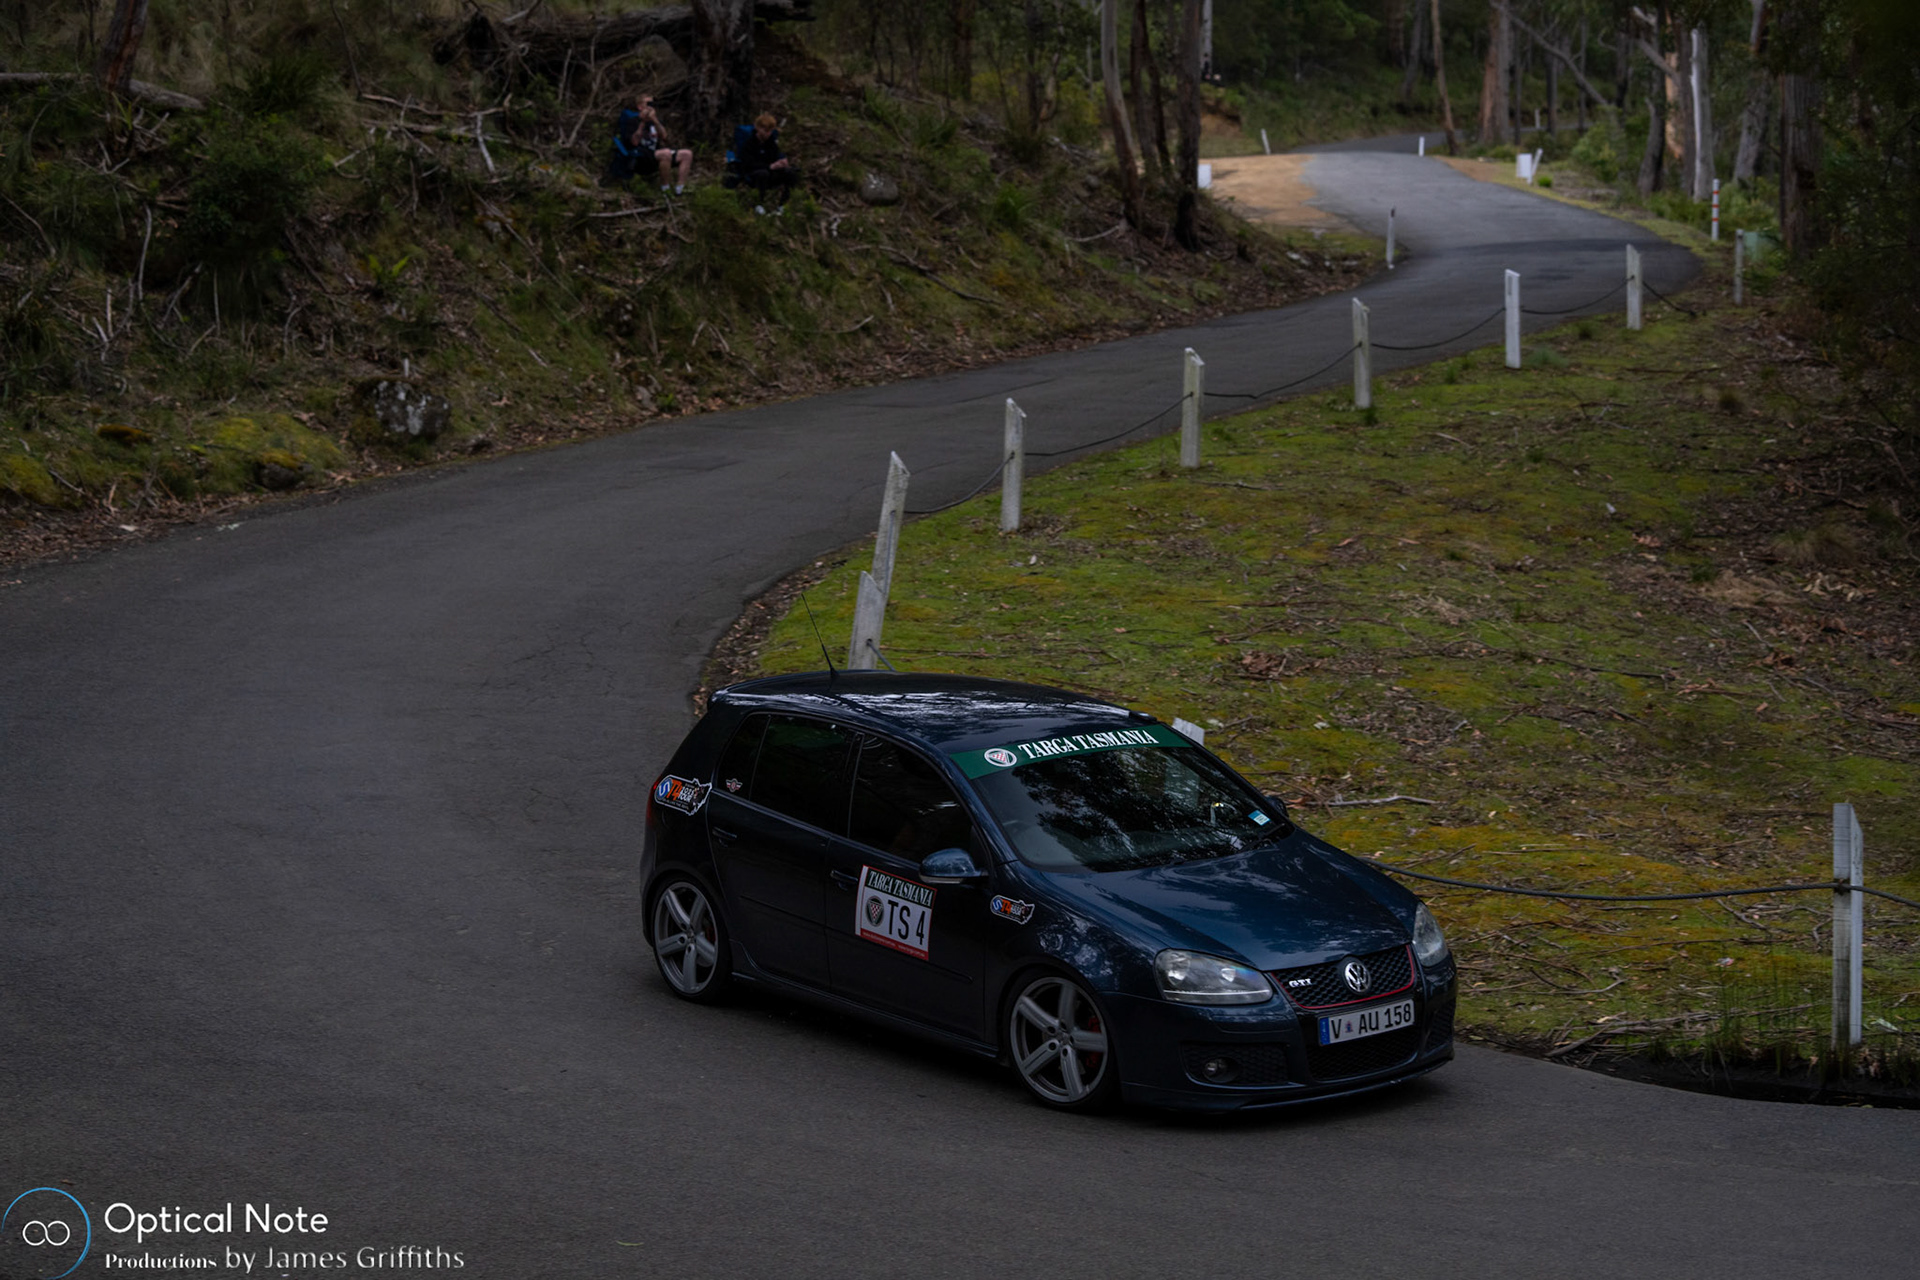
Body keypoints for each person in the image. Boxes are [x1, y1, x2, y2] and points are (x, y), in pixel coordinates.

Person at [733, 112, 797, 213]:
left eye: (770, 131)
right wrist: (769, 166)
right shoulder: (749, 144)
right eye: (766, 130)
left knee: (790, 173)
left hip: (770, 172)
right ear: (758, 128)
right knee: (762, 174)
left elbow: (776, 156)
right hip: (754, 173)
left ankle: (783, 204)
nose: (768, 134)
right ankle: (759, 204)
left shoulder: (771, 143)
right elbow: (748, 164)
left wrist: (781, 162)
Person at [635, 95, 693, 195]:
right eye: (648, 104)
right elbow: (634, 141)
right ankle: (665, 189)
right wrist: (643, 121)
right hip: (640, 155)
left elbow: (664, 136)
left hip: (655, 153)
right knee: (665, 153)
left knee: (686, 154)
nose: (650, 107)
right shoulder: (633, 120)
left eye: (652, 104)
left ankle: (680, 189)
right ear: (640, 106)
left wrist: (655, 120)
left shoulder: (655, 121)